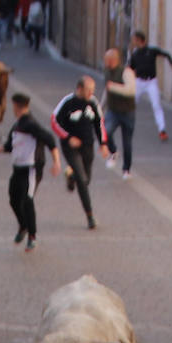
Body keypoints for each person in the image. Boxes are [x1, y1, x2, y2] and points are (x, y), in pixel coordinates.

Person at [0, 92, 62, 252]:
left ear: (16, 106)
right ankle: (23, 226)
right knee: (13, 199)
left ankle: (32, 237)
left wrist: (56, 161)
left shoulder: (30, 124)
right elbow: (10, 145)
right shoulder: (17, 125)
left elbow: (50, 139)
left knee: (27, 200)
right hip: (18, 168)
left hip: (31, 168)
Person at [51, 75, 110, 230]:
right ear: (79, 89)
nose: (91, 93)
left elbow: (99, 123)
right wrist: (68, 137)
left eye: (93, 90)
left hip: (87, 146)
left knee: (86, 179)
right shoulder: (67, 103)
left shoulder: (93, 102)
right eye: (88, 90)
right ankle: (90, 216)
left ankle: (71, 176)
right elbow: (54, 121)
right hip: (70, 146)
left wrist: (103, 143)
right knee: (83, 180)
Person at [127, 31, 172, 142]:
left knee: (156, 105)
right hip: (139, 82)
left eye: (134, 39)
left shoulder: (151, 50)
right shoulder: (135, 54)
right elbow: (130, 68)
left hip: (151, 82)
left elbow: (166, 54)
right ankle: (126, 125)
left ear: (139, 40)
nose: (133, 42)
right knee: (131, 104)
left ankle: (162, 130)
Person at [101, 48, 137, 180]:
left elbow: (131, 91)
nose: (104, 62)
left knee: (127, 142)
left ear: (113, 60)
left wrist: (113, 87)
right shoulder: (106, 72)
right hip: (113, 111)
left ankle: (126, 169)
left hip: (128, 112)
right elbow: (107, 89)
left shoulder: (126, 72)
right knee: (105, 132)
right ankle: (113, 151)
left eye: (106, 59)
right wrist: (101, 106)